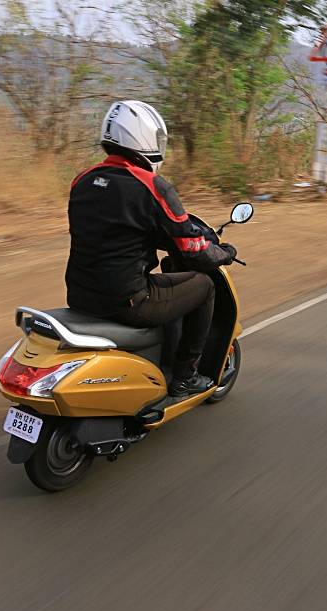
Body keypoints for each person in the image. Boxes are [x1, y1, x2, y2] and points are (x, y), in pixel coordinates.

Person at [66, 100, 237, 397]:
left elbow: (114, 231)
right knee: (205, 286)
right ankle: (184, 376)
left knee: (169, 287)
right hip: (128, 300)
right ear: (141, 138)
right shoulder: (152, 186)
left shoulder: (83, 181)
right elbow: (192, 248)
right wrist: (224, 253)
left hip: (80, 295)